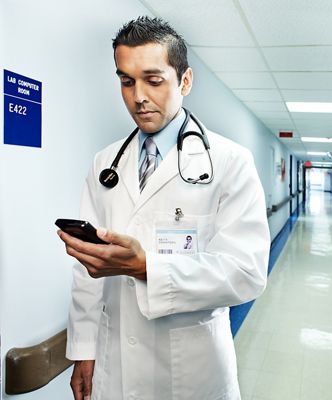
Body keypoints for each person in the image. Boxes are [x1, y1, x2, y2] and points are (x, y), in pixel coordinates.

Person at [58, 16, 270, 400]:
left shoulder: (229, 162)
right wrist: (84, 351)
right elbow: (86, 271)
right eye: (126, 80)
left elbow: (246, 272)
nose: (138, 96)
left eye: (153, 80)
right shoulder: (105, 164)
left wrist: (145, 266)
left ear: (184, 81)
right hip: (115, 363)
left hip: (193, 369)